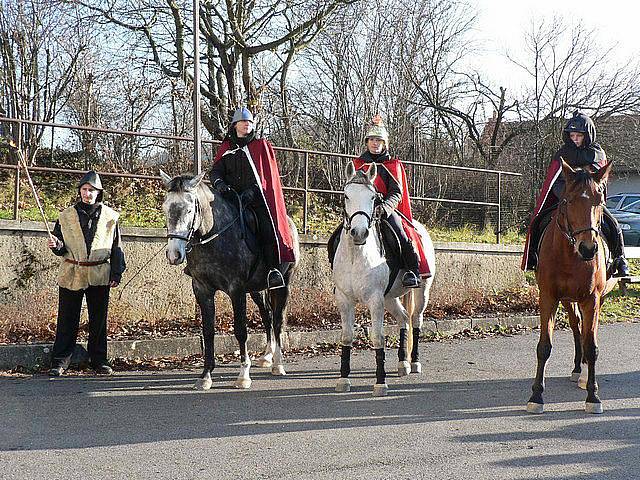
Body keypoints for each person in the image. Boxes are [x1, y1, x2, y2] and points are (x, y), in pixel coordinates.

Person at [522, 110, 629, 277]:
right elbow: (555, 181)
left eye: (579, 135)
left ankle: (620, 259)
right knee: (538, 222)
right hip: (567, 199)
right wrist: (566, 195)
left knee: (612, 224)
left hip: (589, 202)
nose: (575, 139)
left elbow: (601, 181)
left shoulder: (597, 153)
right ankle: (533, 258)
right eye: (572, 135)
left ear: (587, 135)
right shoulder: (562, 154)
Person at [47, 171, 126, 376]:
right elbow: (61, 246)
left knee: (98, 319)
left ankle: (98, 360)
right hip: (72, 271)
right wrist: (56, 245)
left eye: (91, 190)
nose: (87, 193)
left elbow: (117, 246)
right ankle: (60, 361)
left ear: (98, 193)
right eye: (84, 189)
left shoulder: (110, 217)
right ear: (79, 191)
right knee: (67, 317)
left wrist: (116, 272)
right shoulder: (65, 216)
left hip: (100, 272)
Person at [209, 107, 296, 290]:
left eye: (249, 122)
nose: (247, 124)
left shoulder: (260, 145)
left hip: (256, 200)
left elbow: (267, 176)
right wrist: (220, 185)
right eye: (243, 122)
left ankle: (273, 271)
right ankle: (203, 269)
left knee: (267, 227)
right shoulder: (226, 147)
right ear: (235, 125)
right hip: (230, 200)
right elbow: (216, 171)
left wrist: (254, 190)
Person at [352, 115, 430, 288]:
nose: (375, 143)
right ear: (367, 142)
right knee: (338, 234)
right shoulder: (357, 164)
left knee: (400, 233)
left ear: (384, 143)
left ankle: (412, 271)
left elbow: (396, 193)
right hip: (361, 209)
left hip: (383, 210)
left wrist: (385, 208)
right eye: (372, 139)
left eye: (378, 140)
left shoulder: (392, 165)